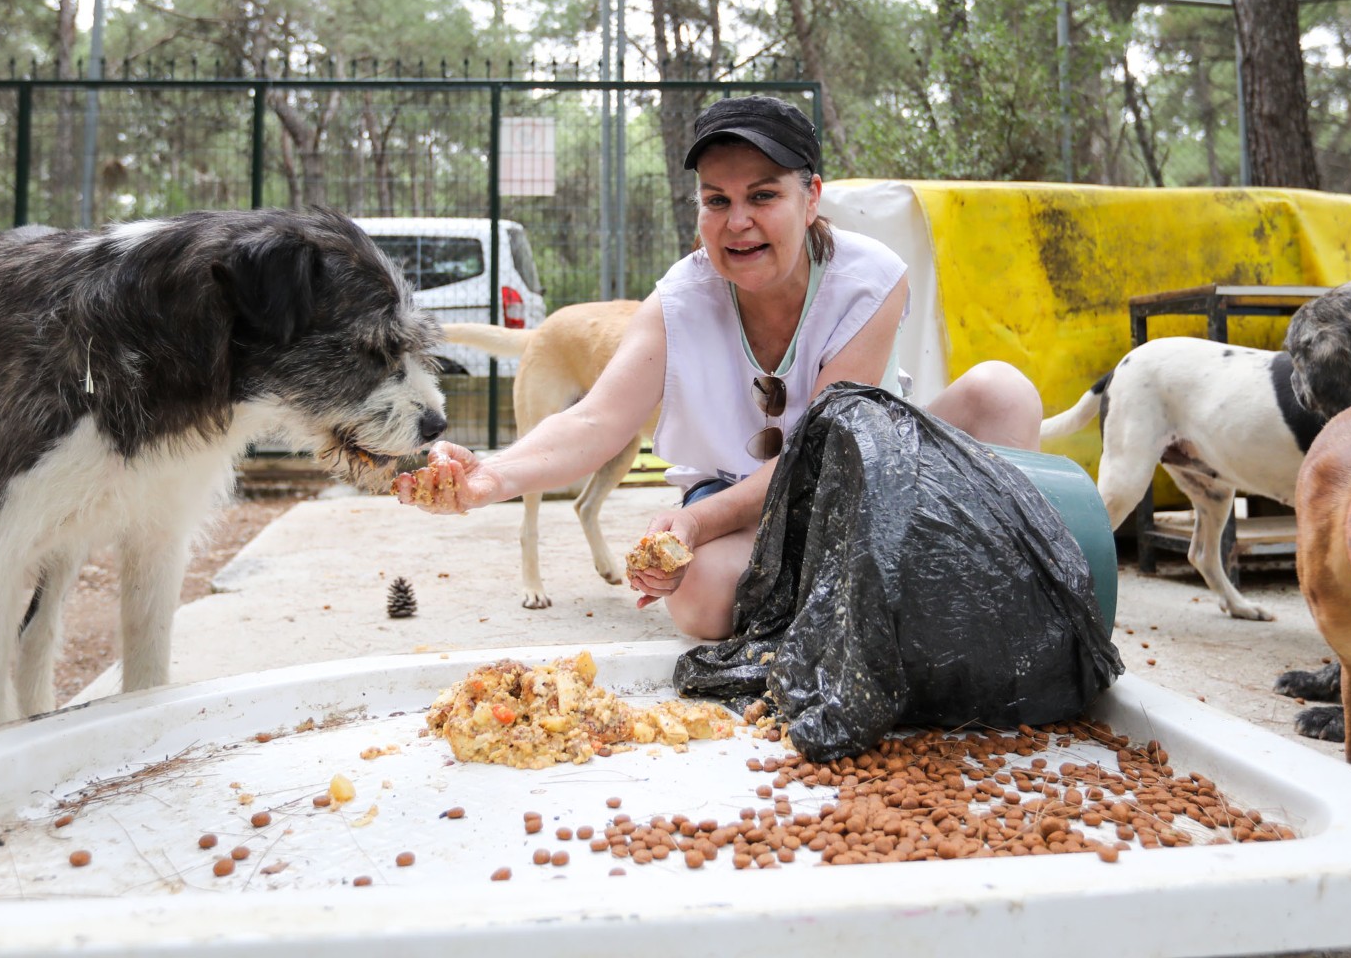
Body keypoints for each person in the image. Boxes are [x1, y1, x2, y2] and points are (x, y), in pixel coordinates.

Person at [396, 95, 1043, 639]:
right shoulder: (679, 299)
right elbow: (597, 420)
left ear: (811, 197)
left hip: (861, 481)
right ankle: (868, 596)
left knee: (1001, 393)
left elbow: (822, 456)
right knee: (700, 597)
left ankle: (998, 596)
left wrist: (694, 523)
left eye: (763, 195)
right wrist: (488, 477)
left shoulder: (868, 279)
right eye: (716, 200)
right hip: (745, 506)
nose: (738, 223)